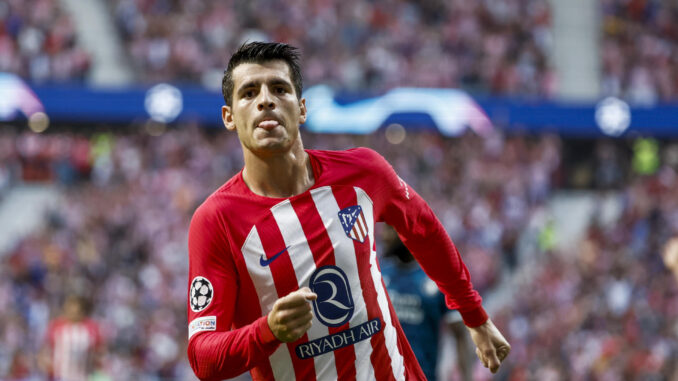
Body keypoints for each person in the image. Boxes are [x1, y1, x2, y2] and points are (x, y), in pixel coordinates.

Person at [186, 41, 510, 380]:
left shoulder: (364, 172)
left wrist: (475, 315)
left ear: (301, 109)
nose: (265, 100)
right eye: (249, 93)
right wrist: (267, 331)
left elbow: (425, 230)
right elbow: (203, 358)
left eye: (279, 89)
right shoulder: (216, 221)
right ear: (229, 117)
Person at [379, 226, 473, 381]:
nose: (383, 236)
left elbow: (460, 335)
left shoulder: (438, 277)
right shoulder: (379, 274)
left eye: (389, 229)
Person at [41, 295, 103, 381]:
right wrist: (46, 362)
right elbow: (46, 350)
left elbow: (99, 351)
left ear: (82, 311)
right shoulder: (56, 326)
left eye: (76, 311)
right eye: (70, 310)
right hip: (59, 376)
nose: (72, 314)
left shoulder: (91, 328)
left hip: (84, 376)